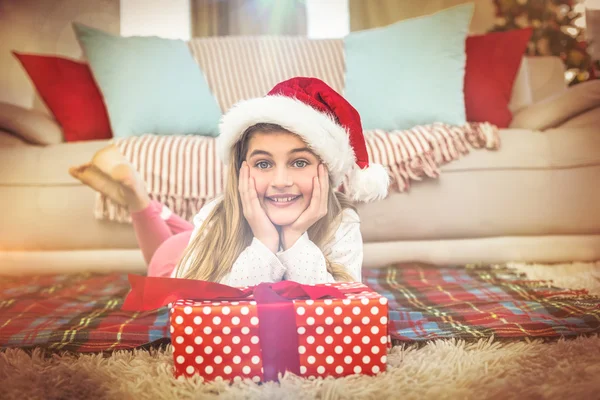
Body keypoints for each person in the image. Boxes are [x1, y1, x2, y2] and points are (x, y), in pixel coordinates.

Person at [69, 77, 389, 287]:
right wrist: (265, 239)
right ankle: (138, 198)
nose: (280, 181)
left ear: (328, 172)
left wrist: (292, 238)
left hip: (210, 233)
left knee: (197, 227)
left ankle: (150, 205)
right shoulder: (216, 215)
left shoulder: (343, 221)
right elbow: (228, 309)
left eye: (300, 162)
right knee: (160, 262)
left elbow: (336, 311)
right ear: (241, 171)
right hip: (180, 260)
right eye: (263, 163)